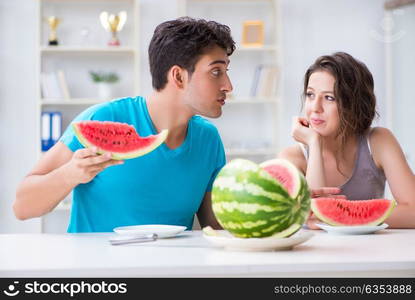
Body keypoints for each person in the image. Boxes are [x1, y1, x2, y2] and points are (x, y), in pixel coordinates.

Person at [14, 17, 235, 232]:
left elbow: (214, 226)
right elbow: (22, 208)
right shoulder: (103, 117)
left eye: (226, 72)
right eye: (216, 72)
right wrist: (71, 173)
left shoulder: (208, 138)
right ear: (178, 76)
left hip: (168, 268)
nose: (228, 85)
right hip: (94, 268)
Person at [278, 52, 415, 229]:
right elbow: (316, 217)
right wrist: (313, 142)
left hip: (372, 253)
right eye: (310, 95)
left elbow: (413, 211)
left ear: (353, 103)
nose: (315, 108)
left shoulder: (379, 142)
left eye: (329, 97)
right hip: (314, 255)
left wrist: (342, 215)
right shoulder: (291, 159)